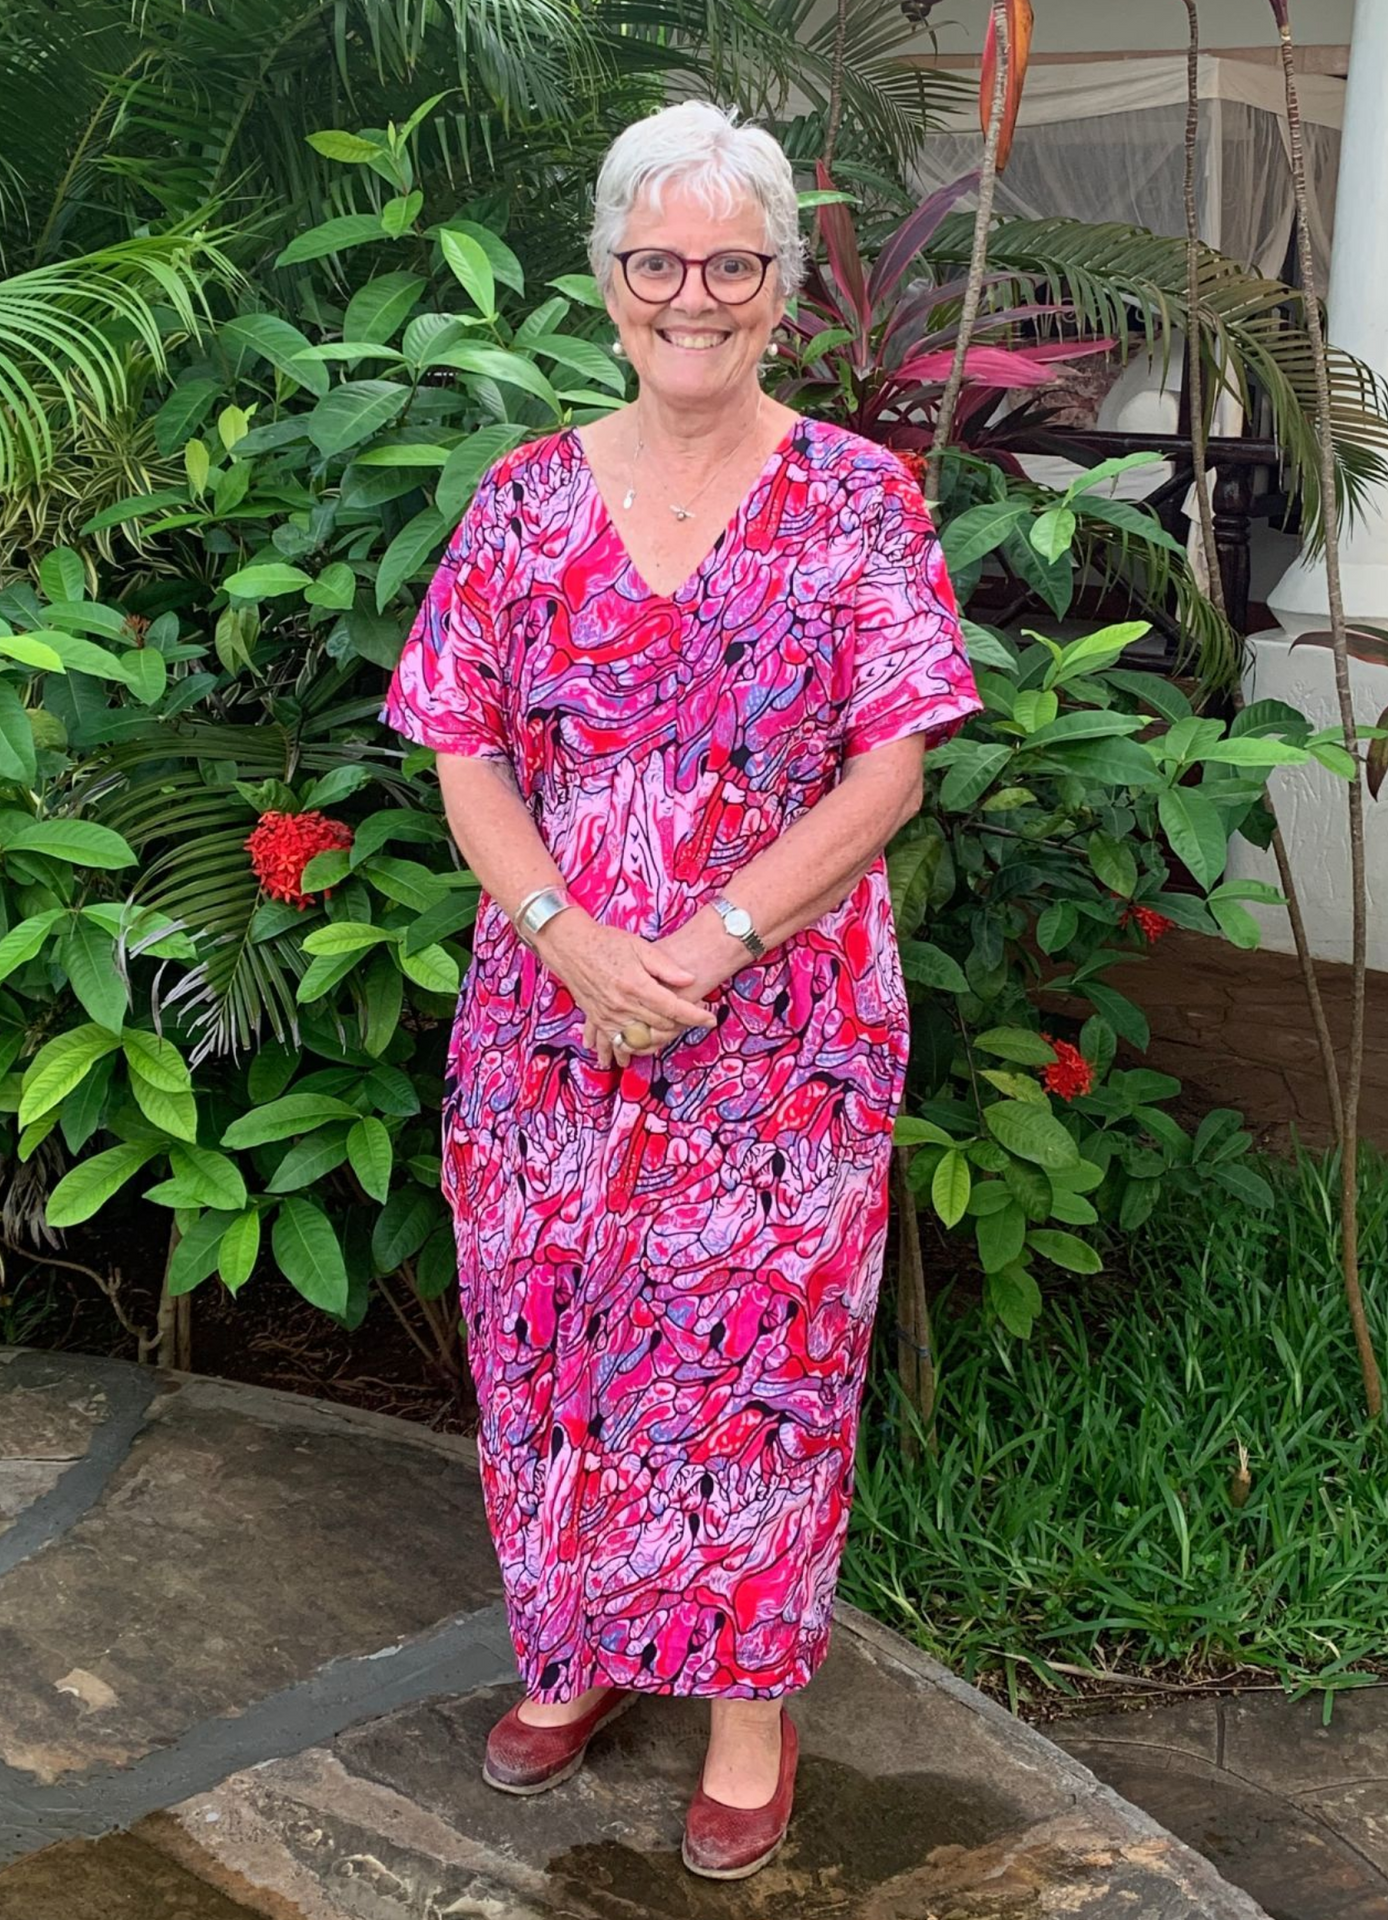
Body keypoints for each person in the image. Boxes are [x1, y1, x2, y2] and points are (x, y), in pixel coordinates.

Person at [380, 97, 984, 1882]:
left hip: (779, 1035)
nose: (692, 296)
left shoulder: (862, 502)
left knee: (756, 1371)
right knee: (559, 1347)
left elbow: (891, 775)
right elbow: (464, 753)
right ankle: (575, 1657)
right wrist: (570, 933)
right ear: (607, 279)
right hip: (552, 1025)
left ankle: (743, 1707)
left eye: (732, 263)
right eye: (659, 262)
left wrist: (710, 944)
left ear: (784, 287)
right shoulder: (522, 502)